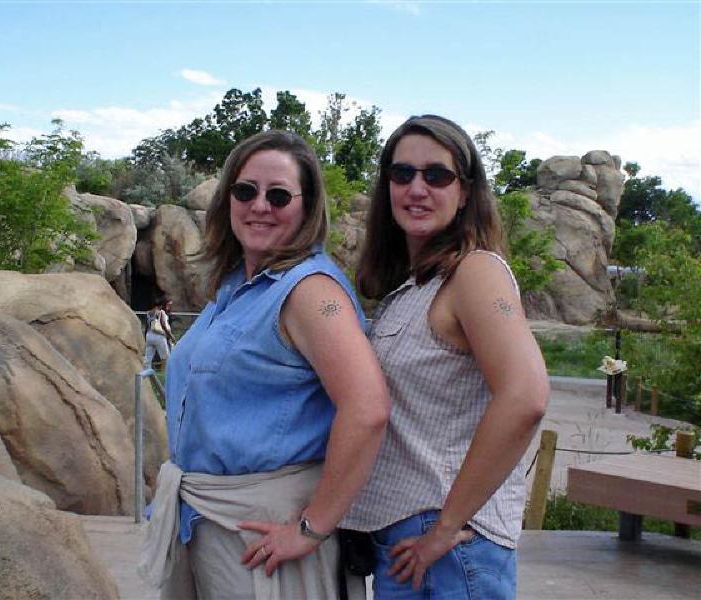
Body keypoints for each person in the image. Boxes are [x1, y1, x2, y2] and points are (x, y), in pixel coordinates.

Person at [139, 130, 390, 599]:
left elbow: (368, 408)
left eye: (278, 195)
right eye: (245, 190)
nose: (260, 205)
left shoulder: (311, 292)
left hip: (262, 536)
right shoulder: (236, 286)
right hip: (210, 523)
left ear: (307, 206)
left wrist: (311, 529)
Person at [341, 115, 549, 599]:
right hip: (410, 545)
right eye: (402, 174)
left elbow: (525, 396)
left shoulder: (475, 272)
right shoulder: (419, 284)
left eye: (437, 175)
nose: (417, 187)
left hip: (447, 546)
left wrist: (446, 526)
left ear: (465, 191)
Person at [143, 295, 172, 369]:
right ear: (162, 305)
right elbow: (164, 325)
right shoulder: (161, 312)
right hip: (159, 336)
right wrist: (170, 335)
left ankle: (147, 376)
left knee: (147, 359)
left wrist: (145, 336)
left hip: (149, 336)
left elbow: (147, 326)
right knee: (166, 358)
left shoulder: (148, 313)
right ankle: (167, 374)